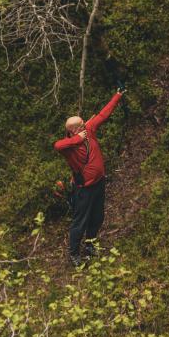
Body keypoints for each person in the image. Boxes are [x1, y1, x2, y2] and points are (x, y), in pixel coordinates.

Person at [54, 89, 125, 266]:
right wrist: (77, 139)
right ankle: (73, 254)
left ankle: (90, 245)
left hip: (99, 184)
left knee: (97, 216)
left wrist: (117, 95)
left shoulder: (89, 129)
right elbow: (57, 145)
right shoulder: (69, 145)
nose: (85, 124)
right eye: (81, 124)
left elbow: (103, 114)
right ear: (73, 130)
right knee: (80, 222)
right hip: (83, 189)